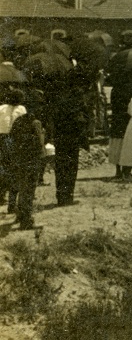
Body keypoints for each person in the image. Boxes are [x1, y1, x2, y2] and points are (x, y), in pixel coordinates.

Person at [52, 67, 92, 207]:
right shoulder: (78, 98)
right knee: (71, 166)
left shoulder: (59, 96)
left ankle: (60, 196)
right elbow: (82, 118)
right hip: (73, 136)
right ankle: (68, 196)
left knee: (61, 166)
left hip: (60, 136)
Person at [8, 101, 44, 230]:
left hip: (18, 159)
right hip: (31, 160)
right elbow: (40, 144)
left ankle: (20, 215)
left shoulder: (18, 122)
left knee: (21, 188)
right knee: (29, 190)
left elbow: (11, 137)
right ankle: (26, 221)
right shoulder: (36, 123)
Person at [0, 89, 28, 212]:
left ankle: (2, 196)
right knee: (15, 171)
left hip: (2, 138)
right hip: (14, 140)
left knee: (4, 169)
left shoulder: (2, 108)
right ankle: (11, 202)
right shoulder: (22, 109)